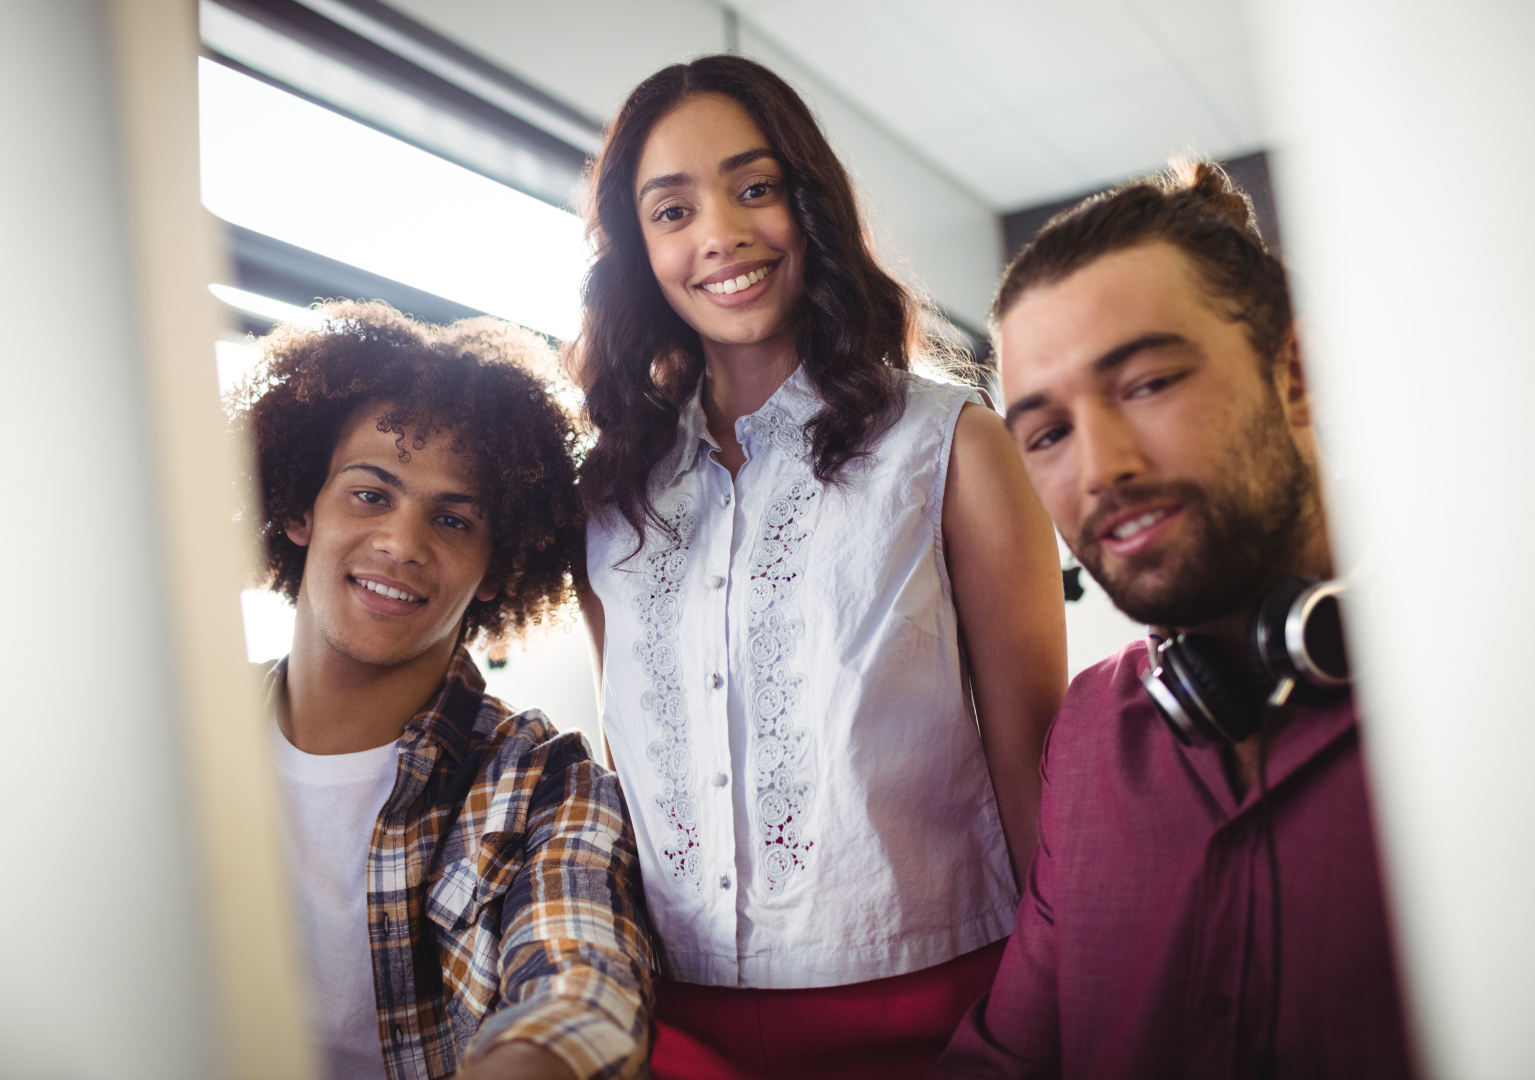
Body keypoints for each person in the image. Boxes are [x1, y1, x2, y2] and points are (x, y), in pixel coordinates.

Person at [571, 55, 1068, 1078]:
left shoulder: (953, 446)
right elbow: (636, 764)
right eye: (672, 211)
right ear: (638, 249)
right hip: (676, 1021)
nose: (720, 234)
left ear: (812, 206)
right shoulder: (609, 494)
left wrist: (1058, 1019)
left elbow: (1036, 768)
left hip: (934, 1006)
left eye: (755, 189)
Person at [934, 161, 1416, 1078]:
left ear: (1299, 376)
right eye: (1046, 433)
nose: (1099, 468)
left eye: (1148, 383)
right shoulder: (1088, 734)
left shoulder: (1493, 678)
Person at [233, 302, 654, 1080]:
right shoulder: (177, 732)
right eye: (370, 494)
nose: (402, 543)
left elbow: (583, 994)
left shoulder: (545, 785)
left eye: (455, 519)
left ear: (499, 564)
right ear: (299, 508)